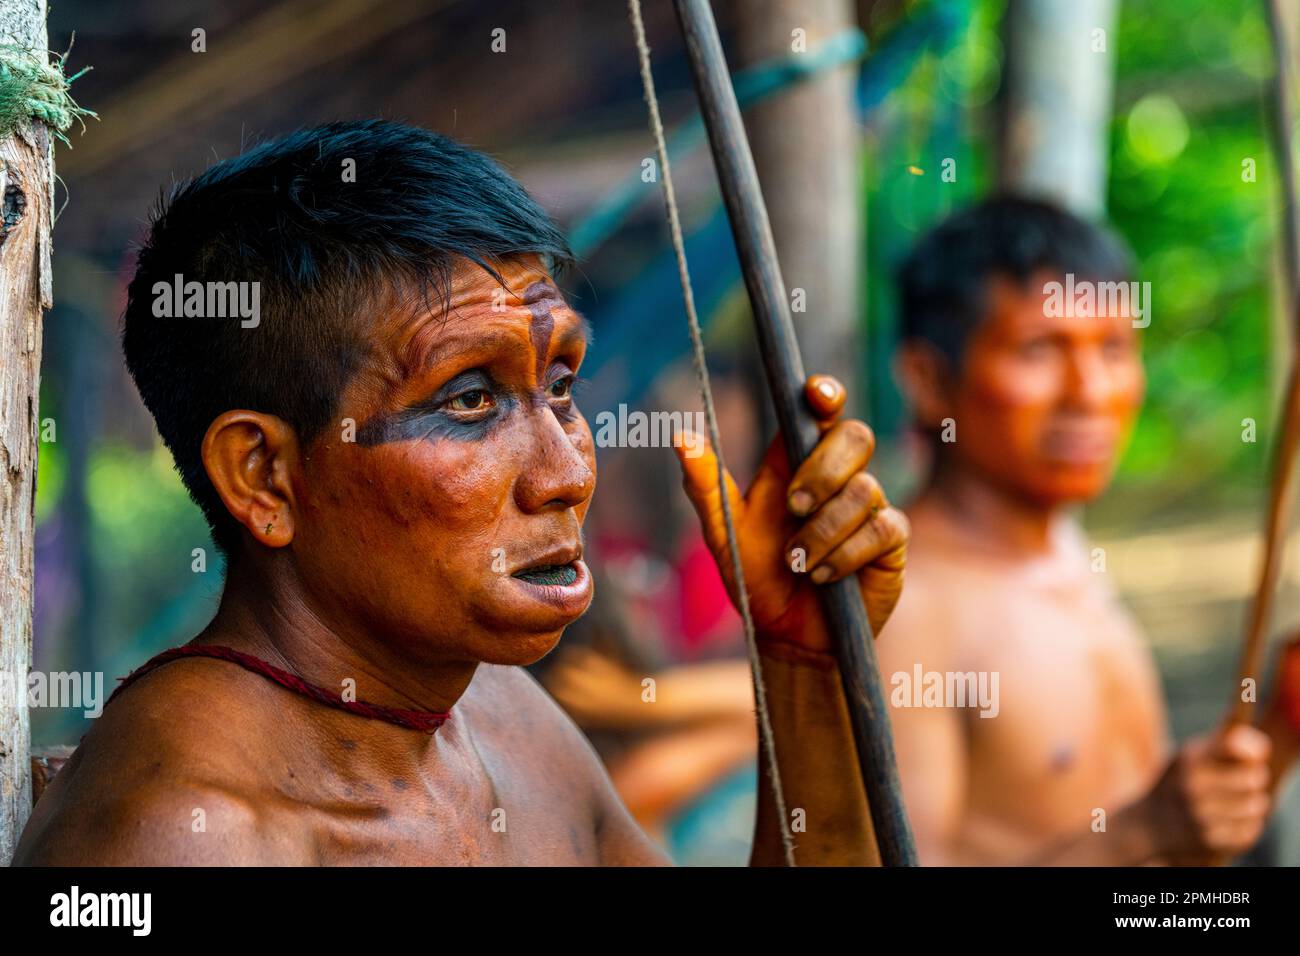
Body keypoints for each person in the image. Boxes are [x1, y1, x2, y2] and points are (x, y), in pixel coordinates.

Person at [14, 120, 908, 866]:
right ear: (264, 476)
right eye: (469, 401)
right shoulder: (182, 838)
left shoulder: (500, 715)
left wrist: (805, 668)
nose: (566, 473)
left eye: (560, 385)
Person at [881, 196, 1276, 865]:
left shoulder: (1060, 544)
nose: (1091, 392)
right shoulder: (904, 607)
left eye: (1114, 348)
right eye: (1039, 349)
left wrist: (1281, 728)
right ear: (928, 379)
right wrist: (1140, 834)